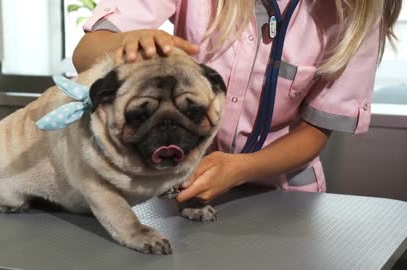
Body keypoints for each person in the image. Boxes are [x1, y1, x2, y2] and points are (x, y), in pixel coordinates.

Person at [72, 0, 402, 204]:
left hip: (285, 199)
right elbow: (85, 54)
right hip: (180, 188)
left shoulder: (357, 15)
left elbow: (315, 132)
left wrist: (242, 169)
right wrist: (123, 42)